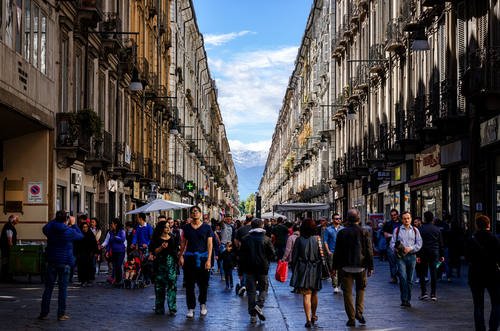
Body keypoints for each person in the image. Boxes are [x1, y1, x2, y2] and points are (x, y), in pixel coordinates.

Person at [38, 211, 83, 321]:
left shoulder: (50, 229)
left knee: (48, 288)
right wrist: (74, 224)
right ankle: (61, 314)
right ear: (66, 220)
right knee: (63, 289)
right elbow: (81, 236)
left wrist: (55, 219)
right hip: (65, 263)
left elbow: (45, 227)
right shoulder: (70, 231)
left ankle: (44, 313)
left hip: (52, 261)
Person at [332, 209, 374, 327]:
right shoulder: (364, 232)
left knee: (347, 292)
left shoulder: (341, 233)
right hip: (361, 266)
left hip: (345, 267)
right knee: (360, 289)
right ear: (359, 220)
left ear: (347, 219)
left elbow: (337, 252)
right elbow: (369, 251)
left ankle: (351, 318)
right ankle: (359, 312)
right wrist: (370, 266)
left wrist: (334, 267)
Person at [465, 215, 500, 331]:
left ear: (476, 226)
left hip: (475, 275)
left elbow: (467, 259)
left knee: (478, 305)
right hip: (492, 274)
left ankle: (480, 328)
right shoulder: (495, 239)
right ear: (489, 225)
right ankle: (493, 327)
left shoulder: (471, 240)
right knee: (496, 302)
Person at [238, 218, 276, 323]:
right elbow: (273, 255)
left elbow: (241, 257)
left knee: (251, 291)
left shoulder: (245, 239)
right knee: (263, 288)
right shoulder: (266, 239)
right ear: (262, 226)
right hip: (262, 268)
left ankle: (253, 316)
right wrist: (265, 257)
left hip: (249, 269)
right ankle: (259, 305)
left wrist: (240, 272)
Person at [178, 206, 213, 318]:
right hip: (189, 259)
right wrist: (180, 256)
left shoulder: (207, 228)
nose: (194, 213)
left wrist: (209, 260)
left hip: (203, 259)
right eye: (192, 212)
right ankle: (191, 308)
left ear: (200, 213)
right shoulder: (187, 227)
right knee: (189, 284)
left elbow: (209, 244)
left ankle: (203, 304)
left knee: (203, 284)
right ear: (191, 214)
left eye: (196, 211)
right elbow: (183, 242)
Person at [289, 218, 323, 328]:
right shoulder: (318, 239)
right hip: (315, 268)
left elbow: (294, 257)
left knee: (306, 295)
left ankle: (308, 318)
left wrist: (295, 271)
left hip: (303, 269)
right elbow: (322, 256)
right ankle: (314, 315)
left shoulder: (299, 240)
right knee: (314, 293)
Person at [390, 211, 423, 308]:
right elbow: (392, 243)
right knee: (402, 277)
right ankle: (404, 298)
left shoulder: (416, 231)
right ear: (401, 220)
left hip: (412, 256)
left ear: (411, 219)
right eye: (404, 218)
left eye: (408, 218)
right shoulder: (397, 230)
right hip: (400, 256)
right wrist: (394, 248)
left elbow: (419, 244)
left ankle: (408, 298)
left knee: (409, 279)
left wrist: (411, 248)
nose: (406, 220)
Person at [150, 220, 178, 315]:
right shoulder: (157, 239)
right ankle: (159, 307)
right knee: (159, 287)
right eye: (166, 226)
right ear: (162, 228)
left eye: (169, 226)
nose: (168, 228)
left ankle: (172, 307)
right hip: (159, 264)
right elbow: (155, 251)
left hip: (170, 264)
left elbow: (175, 251)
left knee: (172, 286)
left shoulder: (172, 238)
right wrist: (161, 247)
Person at [416, 211, 444, 301]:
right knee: (433, 273)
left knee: (422, 273)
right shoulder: (437, 229)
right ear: (432, 219)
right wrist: (441, 255)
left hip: (424, 252)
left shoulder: (420, 229)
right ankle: (433, 294)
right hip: (434, 251)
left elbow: (418, 243)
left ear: (424, 219)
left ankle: (424, 292)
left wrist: (418, 255)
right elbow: (440, 243)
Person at [74, 222, 99, 286]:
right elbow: (76, 244)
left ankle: (89, 279)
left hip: (89, 254)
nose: (85, 229)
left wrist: (95, 252)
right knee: (82, 267)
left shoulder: (90, 235)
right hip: (81, 254)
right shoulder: (79, 235)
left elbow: (94, 244)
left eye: (86, 227)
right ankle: (82, 280)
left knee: (89, 266)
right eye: (83, 227)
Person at [324, 213, 344, 294]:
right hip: (332, 251)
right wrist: (328, 251)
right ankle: (335, 286)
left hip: (341, 252)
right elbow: (325, 241)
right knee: (334, 269)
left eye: (339, 218)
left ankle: (339, 284)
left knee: (341, 269)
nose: (338, 220)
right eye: (336, 218)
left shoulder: (343, 229)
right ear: (332, 220)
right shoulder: (328, 229)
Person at [235, 215, 253, 296]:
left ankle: (243, 285)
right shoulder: (257, 229)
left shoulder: (240, 229)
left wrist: (238, 248)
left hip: (243, 251)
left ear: (246, 220)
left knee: (244, 268)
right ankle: (253, 286)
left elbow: (235, 240)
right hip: (254, 252)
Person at [382, 209, 401, 283]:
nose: (393, 216)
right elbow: (382, 231)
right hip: (391, 245)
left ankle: (399, 274)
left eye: (394, 215)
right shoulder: (388, 223)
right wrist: (384, 233)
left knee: (401, 262)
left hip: (400, 245)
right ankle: (393, 277)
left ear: (397, 215)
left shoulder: (401, 223)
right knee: (392, 262)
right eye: (392, 215)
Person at [106, 219, 126, 285]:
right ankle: (116, 279)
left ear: (115, 224)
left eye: (112, 224)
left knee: (118, 265)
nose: (111, 225)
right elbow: (109, 243)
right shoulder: (111, 233)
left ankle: (119, 280)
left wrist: (116, 237)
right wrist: (107, 251)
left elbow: (123, 239)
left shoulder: (121, 231)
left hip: (121, 251)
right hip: (114, 251)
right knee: (115, 265)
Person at [1, 215, 19, 282]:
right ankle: (6, 278)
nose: (17, 221)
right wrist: (12, 248)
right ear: (13, 220)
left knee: (8, 262)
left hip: (6, 248)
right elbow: (9, 239)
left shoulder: (10, 226)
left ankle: (7, 277)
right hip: (7, 248)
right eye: (16, 220)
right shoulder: (9, 227)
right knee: (7, 262)